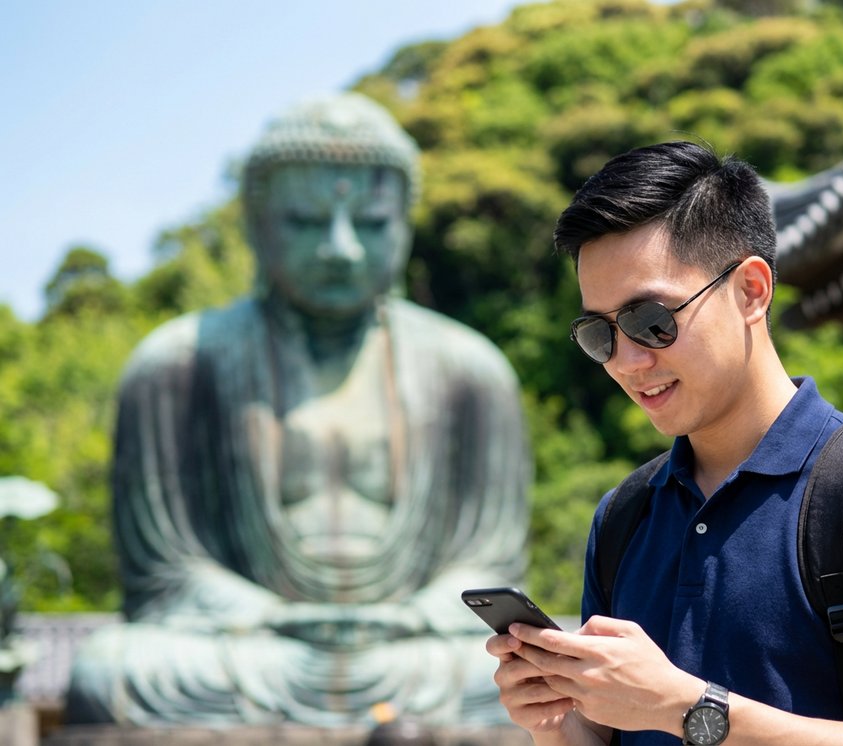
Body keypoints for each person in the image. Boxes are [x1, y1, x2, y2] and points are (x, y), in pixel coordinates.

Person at [486, 141, 843, 745]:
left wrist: (687, 707)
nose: (629, 361)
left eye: (651, 320)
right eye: (599, 334)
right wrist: (559, 722)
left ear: (751, 290)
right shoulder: (624, 516)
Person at [65, 92, 530, 727]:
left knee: (527, 669)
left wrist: (414, 616)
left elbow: (489, 564)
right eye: (305, 223)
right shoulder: (177, 364)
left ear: (405, 225)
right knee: (111, 669)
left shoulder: (471, 372)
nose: (340, 249)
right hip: (251, 650)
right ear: (256, 223)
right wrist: (268, 617)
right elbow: (165, 574)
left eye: (370, 224)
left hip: (418, 651)